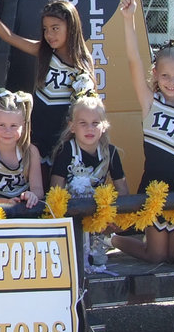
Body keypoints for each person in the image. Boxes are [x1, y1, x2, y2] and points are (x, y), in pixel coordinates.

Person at [110, 0, 174, 264]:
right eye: (164, 76)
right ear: (155, 74)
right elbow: (133, 61)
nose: (171, 82)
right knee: (158, 256)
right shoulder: (150, 102)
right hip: (156, 189)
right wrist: (129, 20)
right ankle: (113, 239)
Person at [0, 0, 94, 166]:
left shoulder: (83, 62)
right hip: (37, 126)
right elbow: (9, 36)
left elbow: (91, 102)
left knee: (59, 175)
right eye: (45, 29)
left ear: (71, 27)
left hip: (63, 130)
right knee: (37, 172)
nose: (49, 34)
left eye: (55, 28)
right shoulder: (44, 51)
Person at [49, 94, 127, 274]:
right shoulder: (66, 150)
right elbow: (55, 189)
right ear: (72, 126)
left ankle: (101, 244)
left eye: (95, 123)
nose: (89, 128)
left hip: (97, 216)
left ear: (104, 125)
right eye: (83, 123)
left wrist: (116, 218)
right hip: (70, 214)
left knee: (97, 262)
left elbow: (123, 189)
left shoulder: (110, 152)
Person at [0, 90, 43, 209]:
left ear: (24, 126)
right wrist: (6, 202)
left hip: (25, 210)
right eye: (2, 125)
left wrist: (32, 195)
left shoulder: (31, 152)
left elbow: (38, 190)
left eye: (14, 126)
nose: (7, 131)